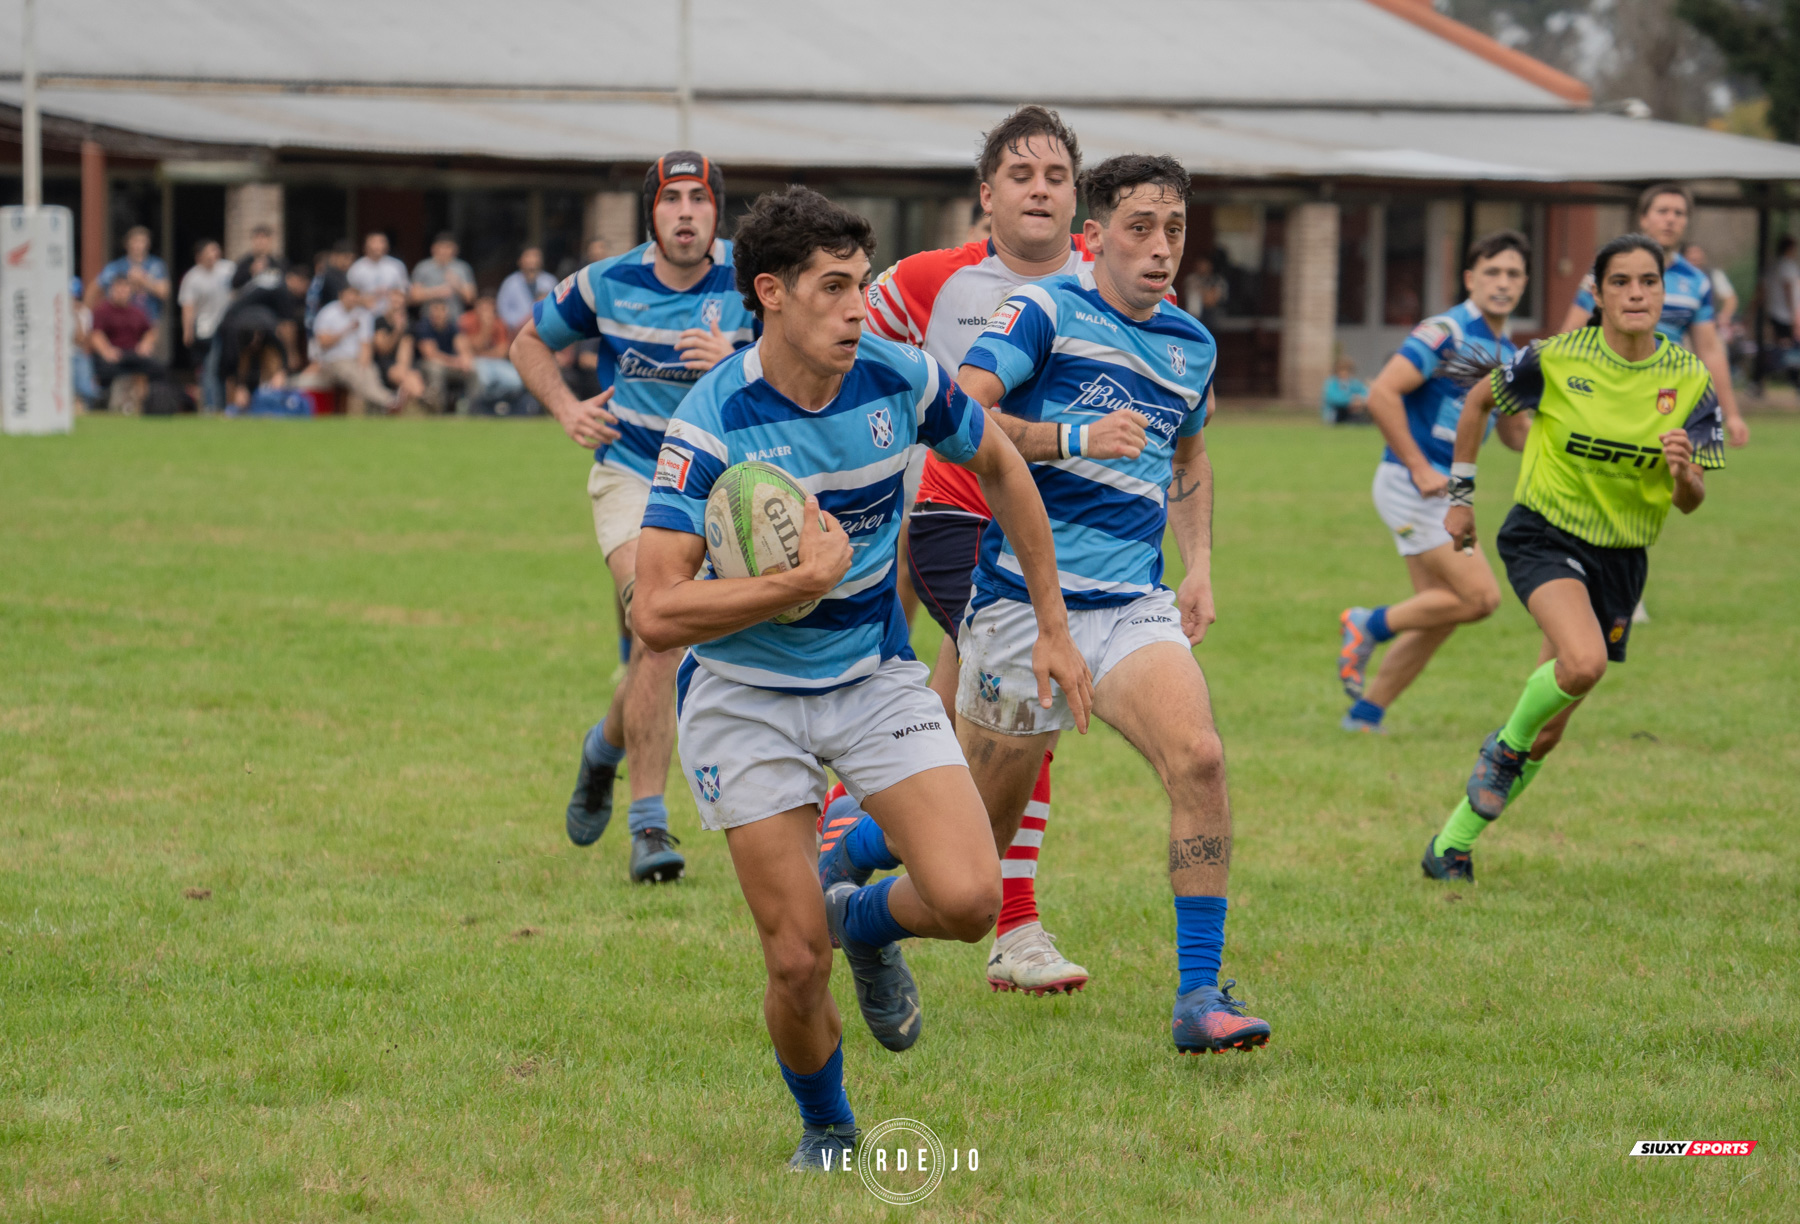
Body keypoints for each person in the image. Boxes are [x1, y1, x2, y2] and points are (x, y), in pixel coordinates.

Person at [631, 185, 1087, 1170]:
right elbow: (656, 610)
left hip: (872, 677)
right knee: (793, 960)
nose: (857, 308)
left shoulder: (902, 377)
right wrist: (796, 581)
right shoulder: (712, 423)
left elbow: (1003, 467)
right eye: (834, 288)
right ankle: (829, 1127)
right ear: (771, 294)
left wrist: (1053, 623)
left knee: (970, 903)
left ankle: (864, 921)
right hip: (746, 701)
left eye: (863, 284)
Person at [844, 155, 1272, 1053]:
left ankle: (1200, 998)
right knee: (966, 864)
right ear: (1098, 235)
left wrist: (1198, 567)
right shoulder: (1044, 312)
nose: (1161, 250)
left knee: (1199, 755)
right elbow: (965, 422)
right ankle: (861, 906)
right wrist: (1073, 435)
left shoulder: (1192, 344)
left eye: (1176, 231)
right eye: (1140, 229)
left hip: (1130, 603)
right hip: (1018, 608)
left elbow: (1188, 458)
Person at [844, 105, 1116, 996]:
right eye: (1021, 174)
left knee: (963, 738)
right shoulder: (928, 281)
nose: (1039, 188)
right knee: (1029, 708)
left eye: (1056, 176)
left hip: (1077, 543)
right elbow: (837, 340)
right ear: (986, 194)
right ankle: (1014, 926)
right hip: (961, 524)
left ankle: (853, 848)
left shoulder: (1111, 284)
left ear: (1078, 200)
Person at [1422, 234, 1725, 882]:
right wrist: (1461, 497)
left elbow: (1693, 501)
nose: (1636, 293)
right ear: (1598, 292)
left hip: (1623, 555)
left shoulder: (1690, 379)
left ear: (1664, 293)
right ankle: (1501, 751)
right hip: (1545, 534)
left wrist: (1683, 475)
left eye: (1649, 281)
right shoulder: (1555, 359)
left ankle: (1451, 846)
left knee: (1551, 729)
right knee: (1581, 663)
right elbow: (1478, 401)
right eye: (1621, 282)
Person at [511, 150, 755, 884]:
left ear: (717, 210)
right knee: (658, 624)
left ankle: (603, 750)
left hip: (721, 486)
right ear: (652, 211)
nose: (686, 211)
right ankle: (649, 824)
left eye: (699, 199)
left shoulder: (752, 279)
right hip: (633, 478)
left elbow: (813, 353)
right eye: (672, 198)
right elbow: (528, 343)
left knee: (676, 641)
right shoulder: (606, 283)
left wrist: (742, 352)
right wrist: (564, 407)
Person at [1335, 231, 1534, 734]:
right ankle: (1367, 623)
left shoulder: (1509, 353)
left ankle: (1364, 716)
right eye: (1492, 272)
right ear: (1471, 278)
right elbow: (1381, 393)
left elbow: (1514, 435)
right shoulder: (1445, 330)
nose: (1503, 282)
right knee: (1481, 599)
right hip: (1411, 484)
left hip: (1452, 491)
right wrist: (1420, 466)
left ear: (1525, 283)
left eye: (1513, 274)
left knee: (1440, 615)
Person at [1560, 184, 1748, 449]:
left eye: (1679, 213)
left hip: (1663, 398)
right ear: (1643, 218)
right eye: (1662, 211)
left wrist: (1733, 415)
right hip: (1608, 389)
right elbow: (1569, 336)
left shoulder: (1697, 282)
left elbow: (1710, 350)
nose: (1670, 219)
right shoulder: (1607, 269)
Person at [307, 282, 394, 414]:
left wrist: (363, 364)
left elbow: (366, 345)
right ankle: (389, 401)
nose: (353, 298)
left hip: (356, 360)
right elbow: (323, 342)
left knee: (370, 373)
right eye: (350, 295)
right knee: (353, 374)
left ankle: (382, 405)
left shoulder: (363, 314)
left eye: (355, 295)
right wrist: (346, 329)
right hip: (333, 360)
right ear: (341, 295)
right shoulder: (328, 312)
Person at [179, 239, 236, 411]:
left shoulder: (229, 269)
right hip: (206, 329)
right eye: (209, 251)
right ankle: (211, 405)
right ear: (200, 256)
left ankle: (229, 405)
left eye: (216, 251)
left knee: (227, 366)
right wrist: (187, 330)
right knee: (210, 367)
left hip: (228, 326)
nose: (213, 255)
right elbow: (188, 307)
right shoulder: (192, 277)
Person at [89, 275, 164, 403]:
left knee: (158, 368)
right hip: (113, 355)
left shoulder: (137, 311)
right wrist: (106, 350)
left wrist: (146, 344)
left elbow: (150, 332)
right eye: (118, 289)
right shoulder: (102, 310)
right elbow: (96, 335)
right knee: (106, 371)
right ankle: (105, 403)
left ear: (130, 291)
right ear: (112, 290)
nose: (121, 293)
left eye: (125, 289)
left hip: (134, 354)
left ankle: (152, 402)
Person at [98, 226, 171, 324]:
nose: (138, 245)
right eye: (135, 241)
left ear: (148, 244)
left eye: (142, 241)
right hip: (120, 321)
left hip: (150, 320)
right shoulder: (116, 266)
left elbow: (164, 292)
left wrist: (143, 281)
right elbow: (98, 287)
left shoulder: (156, 265)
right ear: (127, 243)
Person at [412, 298, 474, 412]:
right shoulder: (424, 326)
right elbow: (430, 354)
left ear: (447, 311)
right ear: (430, 311)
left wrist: (465, 360)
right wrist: (454, 362)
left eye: (442, 309)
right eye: (435, 309)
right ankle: (437, 409)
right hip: (424, 366)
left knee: (472, 369)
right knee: (436, 368)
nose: (438, 313)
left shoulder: (452, 327)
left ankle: (471, 409)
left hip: (449, 364)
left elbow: (462, 346)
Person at [409, 232, 476, 312]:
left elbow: (471, 298)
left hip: (455, 320)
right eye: (441, 247)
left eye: (448, 247)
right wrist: (436, 292)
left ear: (455, 249)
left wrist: (457, 285)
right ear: (433, 248)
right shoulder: (423, 267)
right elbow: (413, 297)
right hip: (428, 320)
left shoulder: (462, 268)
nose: (444, 251)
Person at [497, 247, 557, 332]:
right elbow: (502, 310)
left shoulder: (550, 282)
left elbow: (557, 308)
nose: (532, 260)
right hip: (516, 332)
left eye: (536, 256)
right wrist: (520, 323)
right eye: (528, 256)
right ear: (519, 261)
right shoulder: (510, 283)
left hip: (545, 331)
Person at [348, 232, 410, 315]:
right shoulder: (356, 269)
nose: (377, 246)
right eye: (374, 242)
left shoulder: (397, 266)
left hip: (390, 315)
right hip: (364, 314)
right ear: (366, 246)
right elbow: (349, 295)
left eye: (381, 242)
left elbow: (405, 291)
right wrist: (363, 300)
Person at [1182, 253, 1228, 330]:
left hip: (1214, 318)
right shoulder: (1191, 279)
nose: (1202, 267)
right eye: (1200, 264)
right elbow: (1190, 294)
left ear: (1210, 266)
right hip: (1194, 316)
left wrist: (1207, 295)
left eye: (1204, 264)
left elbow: (1213, 300)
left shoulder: (1217, 280)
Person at [1320, 355, 1371, 424]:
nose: (1344, 373)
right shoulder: (1331, 383)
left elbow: (1365, 392)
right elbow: (1333, 398)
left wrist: (1359, 399)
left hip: (1350, 411)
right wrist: (1351, 401)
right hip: (1336, 412)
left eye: (1347, 370)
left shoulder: (1354, 383)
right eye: (1342, 370)